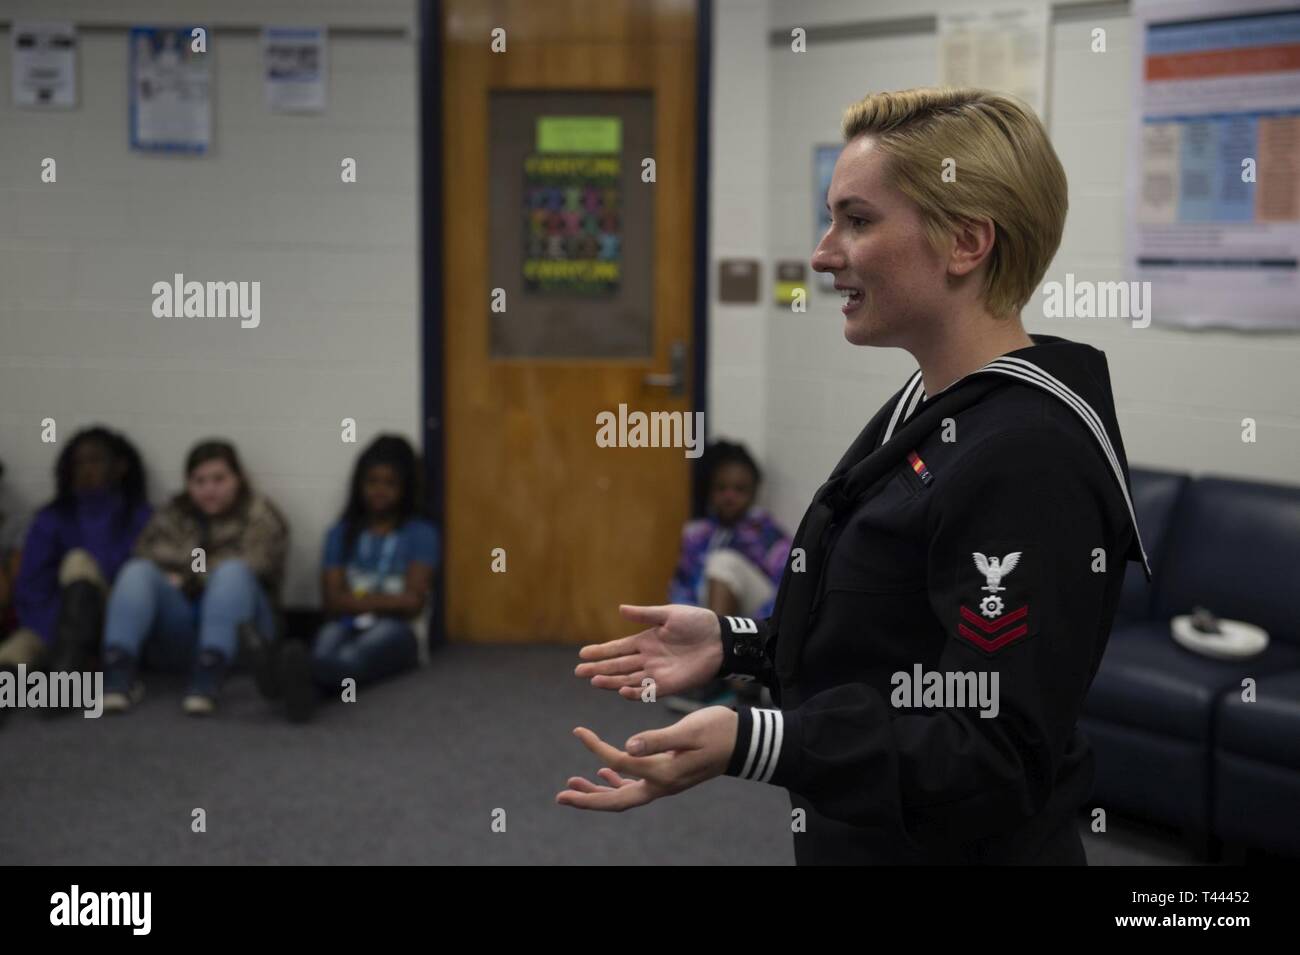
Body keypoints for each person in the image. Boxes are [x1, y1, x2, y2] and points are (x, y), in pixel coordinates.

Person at [560, 87, 1151, 865]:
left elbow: (990, 749)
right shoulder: (933, 400)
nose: (822, 251)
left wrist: (758, 737)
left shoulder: (1027, 454)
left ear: (966, 241)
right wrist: (741, 642)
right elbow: (887, 643)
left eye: (858, 220)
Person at [246, 435, 437, 723]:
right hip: (344, 622)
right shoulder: (341, 532)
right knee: (327, 644)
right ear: (359, 485)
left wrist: (355, 600)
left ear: (406, 488)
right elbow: (332, 601)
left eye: (390, 484)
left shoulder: (421, 533)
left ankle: (276, 675)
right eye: (372, 482)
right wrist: (382, 601)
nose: (379, 491)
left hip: (400, 630)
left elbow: (412, 604)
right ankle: (301, 694)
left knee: (354, 657)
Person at [100, 439, 289, 716]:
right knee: (136, 573)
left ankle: (208, 678)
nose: (209, 489)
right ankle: (117, 671)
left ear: (238, 479)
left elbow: (259, 563)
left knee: (232, 573)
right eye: (199, 481)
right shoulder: (174, 514)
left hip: (244, 632)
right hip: (182, 629)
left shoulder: (259, 513)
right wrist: (186, 573)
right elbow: (145, 554)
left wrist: (190, 577)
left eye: (219, 479)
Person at [0, 427, 152, 678]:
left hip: (113, 622)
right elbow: (32, 587)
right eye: (78, 463)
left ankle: (66, 676)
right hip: (53, 625)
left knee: (78, 562)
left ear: (120, 466)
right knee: (14, 653)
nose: (86, 470)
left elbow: (144, 587)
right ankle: (66, 666)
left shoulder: (140, 518)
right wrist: (56, 636)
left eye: (95, 460)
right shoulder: (51, 518)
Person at [663, 440, 790, 712]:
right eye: (721, 488)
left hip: (760, 622)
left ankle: (720, 680)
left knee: (722, 564)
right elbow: (683, 585)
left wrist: (757, 637)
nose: (729, 496)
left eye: (740, 490)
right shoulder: (697, 534)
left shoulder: (765, 532)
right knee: (683, 603)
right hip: (715, 622)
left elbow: (789, 589)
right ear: (710, 492)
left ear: (754, 493)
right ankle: (724, 680)